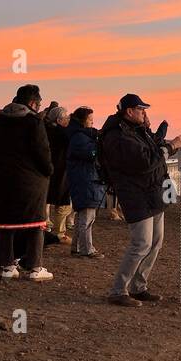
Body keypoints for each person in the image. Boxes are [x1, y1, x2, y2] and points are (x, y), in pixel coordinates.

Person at [99, 93, 181, 306]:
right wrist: (170, 147)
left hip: (152, 192)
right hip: (136, 195)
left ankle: (139, 286)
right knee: (141, 243)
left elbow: (152, 153)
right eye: (141, 110)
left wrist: (155, 135)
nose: (144, 113)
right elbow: (146, 161)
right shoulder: (118, 136)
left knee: (156, 242)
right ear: (129, 111)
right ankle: (118, 290)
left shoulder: (135, 131)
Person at [0, 84, 54, 281]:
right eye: (38, 104)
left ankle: (7, 266)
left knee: (6, 224)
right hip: (32, 181)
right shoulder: (33, 122)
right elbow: (42, 152)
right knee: (36, 223)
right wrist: (48, 170)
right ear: (33, 103)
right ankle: (35, 267)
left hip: (4, 179)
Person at [66, 106, 106, 256]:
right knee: (87, 217)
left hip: (84, 179)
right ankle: (86, 249)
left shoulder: (79, 136)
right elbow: (91, 153)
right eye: (90, 120)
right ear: (82, 121)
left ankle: (76, 247)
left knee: (84, 216)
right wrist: (99, 146)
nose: (92, 123)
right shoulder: (79, 138)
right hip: (85, 180)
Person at [44, 104, 73, 245]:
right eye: (66, 117)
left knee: (46, 200)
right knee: (63, 204)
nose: (68, 119)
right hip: (61, 170)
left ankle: (44, 229)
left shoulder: (45, 130)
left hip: (47, 169)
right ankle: (60, 233)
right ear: (59, 120)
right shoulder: (62, 133)